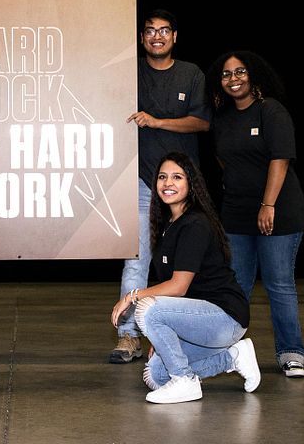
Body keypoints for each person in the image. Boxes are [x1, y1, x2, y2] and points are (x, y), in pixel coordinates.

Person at [110, 152, 261, 404]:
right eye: (162, 177)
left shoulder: (195, 224)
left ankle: (184, 381)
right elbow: (183, 294)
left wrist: (132, 296)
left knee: (147, 308)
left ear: (191, 184)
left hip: (225, 318)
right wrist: (162, 337)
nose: (168, 183)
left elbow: (178, 287)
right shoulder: (168, 223)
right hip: (199, 319)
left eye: (177, 177)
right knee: (156, 375)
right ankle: (234, 357)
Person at [112, 10, 210, 363]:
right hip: (141, 183)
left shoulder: (191, 73)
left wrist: (157, 122)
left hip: (183, 187)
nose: (157, 36)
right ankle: (128, 336)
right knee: (136, 262)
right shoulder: (130, 71)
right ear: (142, 38)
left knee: (190, 265)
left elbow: (201, 122)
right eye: (150, 31)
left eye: (164, 30)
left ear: (175, 36)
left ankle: (189, 335)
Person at [209, 50, 304, 378]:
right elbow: (223, 158)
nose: (233, 79)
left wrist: (267, 204)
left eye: (240, 72)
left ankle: (291, 353)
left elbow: (280, 159)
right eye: (226, 74)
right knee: (236, 286)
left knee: (279, 284)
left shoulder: (271, 111)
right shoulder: (222, 117)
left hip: (277, 213)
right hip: (236, 214)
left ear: (253, 75)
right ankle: (228, 352)